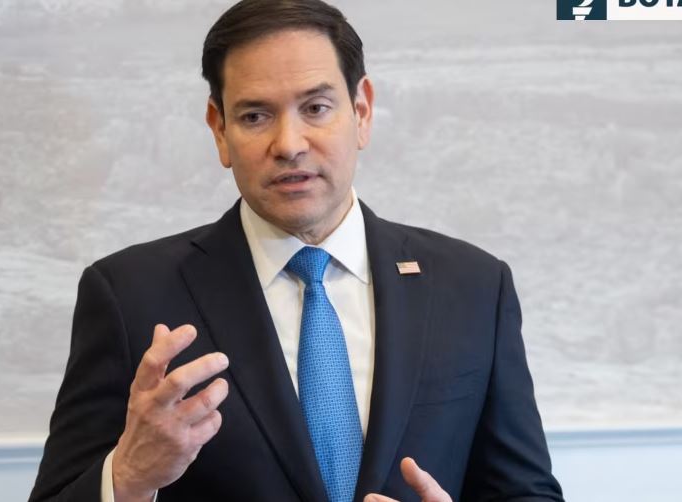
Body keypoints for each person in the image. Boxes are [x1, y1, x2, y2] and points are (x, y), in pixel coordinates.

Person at [29, 1, 565, 501]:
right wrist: (128, 476)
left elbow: (527, 492)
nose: (288, 144)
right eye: (254, 116)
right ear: (219, 129)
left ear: (362, 111)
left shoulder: (473, 285)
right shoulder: (128, 296)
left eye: (316, 107)